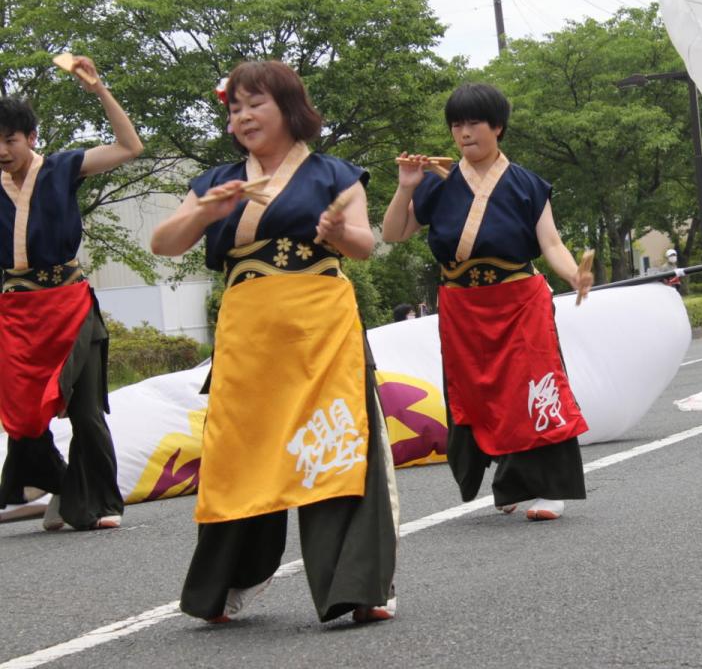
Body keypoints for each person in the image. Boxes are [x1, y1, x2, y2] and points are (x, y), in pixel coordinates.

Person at [150, 61, 397, 624]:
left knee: (331, 445)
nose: (242, 117)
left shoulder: (335, 174)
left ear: (288, 106)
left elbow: (365, 244)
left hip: (319, 329)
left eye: (253, 103)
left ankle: (354, 588)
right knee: (241, 454)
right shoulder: (216, 181)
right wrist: (206, 212)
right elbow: (164, 243)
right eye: (234, 108)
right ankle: (233, 579)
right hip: (248, 329)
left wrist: (339, 232)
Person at [381, 82, 592, 521]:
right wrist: (405, 187)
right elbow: (394, 233)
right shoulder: (437, 183)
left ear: (497, 127)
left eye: (474, 122)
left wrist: (574, 274)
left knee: (534, 389)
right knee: (478, 392)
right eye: (456, 124)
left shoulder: (527, 185)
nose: (464, 132)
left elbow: (550, 243)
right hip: (462, 306)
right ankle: (510, 480)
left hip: (518, 300)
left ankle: (549, 489)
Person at [0, 58, 141, 533]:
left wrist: (99, 89)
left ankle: (98, 502)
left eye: (9, 140)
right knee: (22, 415)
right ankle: (55, 484)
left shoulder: (62, 169)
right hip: (17, 312)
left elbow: (129, 147)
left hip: (70, 305)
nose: (2, 150)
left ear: (31, 138)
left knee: (85, 410)